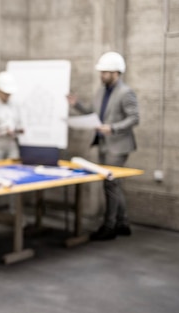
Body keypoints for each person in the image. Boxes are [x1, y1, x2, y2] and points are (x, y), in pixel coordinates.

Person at [67, 51, 139, 241]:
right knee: (113, 185)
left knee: (111, 185)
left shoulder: (126, 92)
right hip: (103, 144)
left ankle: (109, 226)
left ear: (116, 72)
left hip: (118, 145)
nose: (101, 75)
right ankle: (123, 224)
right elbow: (94, 112)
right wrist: (77, 105)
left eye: (105, 72)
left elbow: (134, 118)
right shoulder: (101, 91)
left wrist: (113, 128)